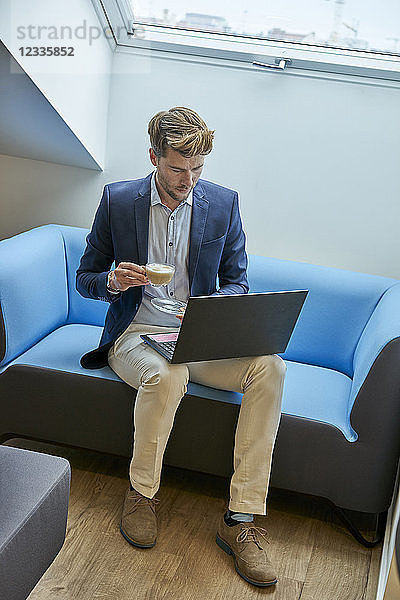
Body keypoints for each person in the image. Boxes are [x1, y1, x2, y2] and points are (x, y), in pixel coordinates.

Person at [76, 106, 286, 588]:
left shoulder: (224, 203)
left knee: (270, 368)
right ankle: (141, 495)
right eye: (177, 168)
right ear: (154, 157)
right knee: (168, 375)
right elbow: (85, 277)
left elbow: (238, 283)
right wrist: (111, 280)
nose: (188, 179)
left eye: (197, 169)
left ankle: (242, 522)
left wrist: (211, 312)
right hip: (135, 333)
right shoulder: (117, 201)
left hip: (199, 337)